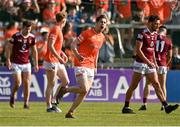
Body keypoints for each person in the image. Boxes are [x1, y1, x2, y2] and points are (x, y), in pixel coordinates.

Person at [122, 15, 179, 114]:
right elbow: (138, 50)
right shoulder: (142, 34)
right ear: (149, 23)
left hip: (150, 64)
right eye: (155, 24)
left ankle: (166, 106)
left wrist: (155, 63)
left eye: (158, 24)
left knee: (157, 84)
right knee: (133, 86)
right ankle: (126, 106)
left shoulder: (155, 35)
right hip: (140, 64)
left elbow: (152, 51)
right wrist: (148, 62)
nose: (157, 26)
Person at [56, 14, 108, 118]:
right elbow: (73, 44)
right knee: (84, 89)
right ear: (96, 23)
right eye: (101, 22)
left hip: (90, 66)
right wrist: (77, 55)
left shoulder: (102, 37)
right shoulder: (87, 33)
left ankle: (70, 112)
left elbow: (96, 52)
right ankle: (65, 90)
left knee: (84, 92)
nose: (103, 24)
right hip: (80, 63)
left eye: (105, 22)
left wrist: (95, 66)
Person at [6, 21, 39, 109]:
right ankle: (13, 95)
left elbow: (35, 51)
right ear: (23, 27)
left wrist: (36, 64)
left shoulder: (32, 37)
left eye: (30, 29)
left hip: (26, 63)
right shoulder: (16, 36)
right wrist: (8, 60)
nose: (28, 30)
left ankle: (26, 103)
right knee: (18, 83)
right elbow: (8, 47)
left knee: (27, 83)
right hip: (16, 63)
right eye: (27, 28)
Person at [139, 25, 173, 111]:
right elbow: (170, 56)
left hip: (152, 64)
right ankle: (163, 105)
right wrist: (166, 64)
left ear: (159, 30)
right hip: (163, 64)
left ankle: (144, 104)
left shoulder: (153, 37)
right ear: (166, 32)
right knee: (162, 85)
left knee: (148, 84)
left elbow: (148, 49)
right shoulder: (168, 40)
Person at [43, 11, 69, 112]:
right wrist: (59, 58)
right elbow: (50, 46)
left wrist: (62, 53)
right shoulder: (55, 29)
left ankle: (54, 101)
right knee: (51, 84)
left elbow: (56, 46)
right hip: (51, 60)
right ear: (63, 20)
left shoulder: (58, 29)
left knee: (65, 81)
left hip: (56, 60)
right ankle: (49, 107)